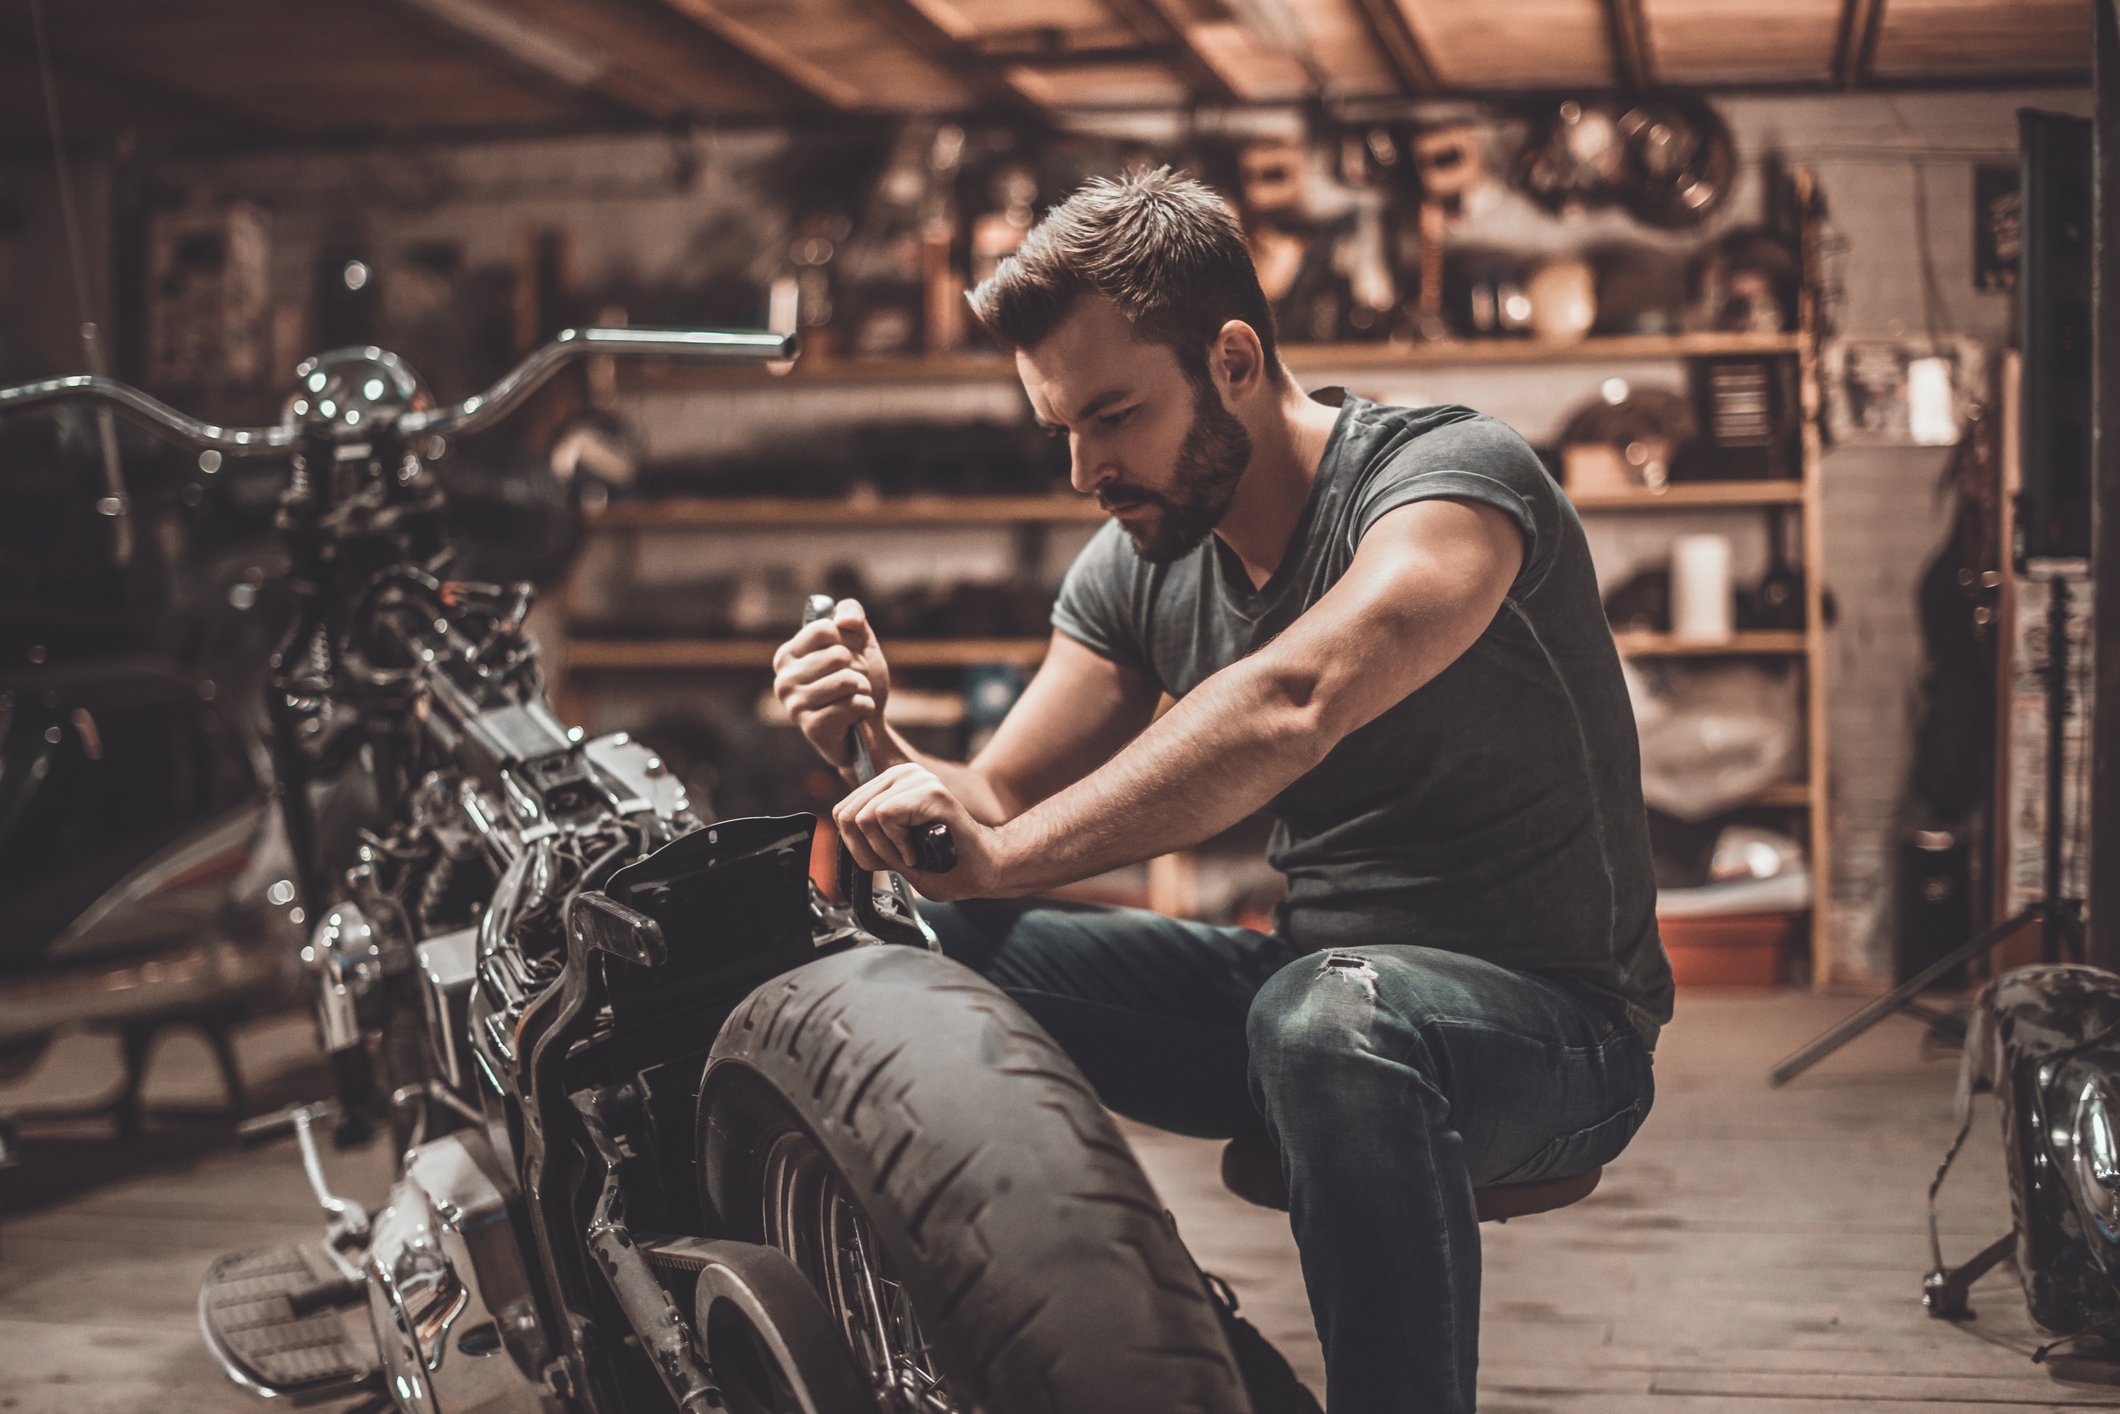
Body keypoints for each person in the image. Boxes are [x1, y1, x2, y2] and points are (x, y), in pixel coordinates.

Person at [770, 167, 1671, 1414]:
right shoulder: (1137, 554)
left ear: (1234, 357)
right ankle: (1126, 1349)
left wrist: (1009, 850)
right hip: (1302, 1010)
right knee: (925, 937)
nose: (1084, 467)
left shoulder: (1452, 481)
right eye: (1061, 431)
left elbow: (1292, 701)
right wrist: (872, 738)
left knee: (1328, 1018)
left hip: (1555, 1037)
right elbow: (986, 801)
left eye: (1114, 416)